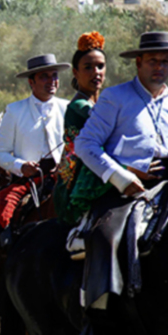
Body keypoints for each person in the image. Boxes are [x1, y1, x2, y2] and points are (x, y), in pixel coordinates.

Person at [73, 31, 168, 335]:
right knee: (106, 236)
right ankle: (99, 320)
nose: (159, 66)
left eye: (166, 61)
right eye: (153, 61)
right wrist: (120, 178)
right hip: (125, 188)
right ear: (139, 62)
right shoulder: (116, 98)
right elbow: (85, 143)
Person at [0, 54, 70, 238]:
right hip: (27, 181)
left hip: (63, 177)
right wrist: (21, 166)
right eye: (44, 76)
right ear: (31, 82)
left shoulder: (68, 108)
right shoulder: (14, 110)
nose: (51, 81)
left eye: (54, 76)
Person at [53, 32, 110, 246]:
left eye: (100, 66)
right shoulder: (78, 107)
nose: (96, 72)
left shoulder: (104, 103)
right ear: (76, 72)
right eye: (88, 67)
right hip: (78, 179)